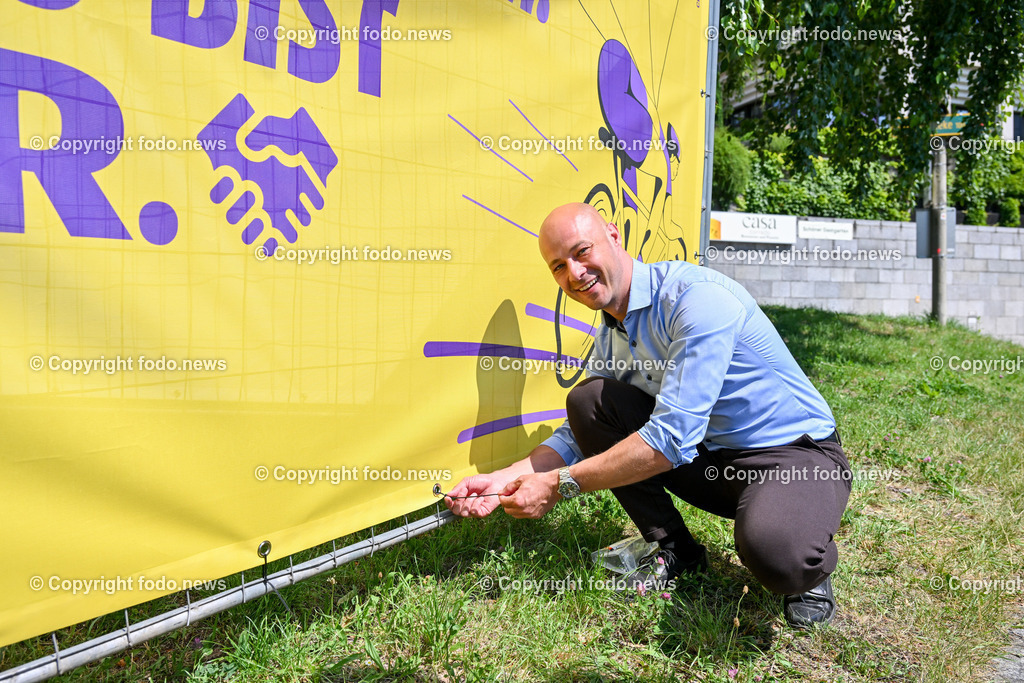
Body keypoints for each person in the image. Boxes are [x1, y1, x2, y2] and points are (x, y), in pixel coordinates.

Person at [445, 202, 851, 628]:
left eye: (582, 252)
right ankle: (676, 550)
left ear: (614, 236)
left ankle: (808, 558)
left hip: (794, 456)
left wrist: (560, 485)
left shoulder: (696, 300)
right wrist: (501, 477)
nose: (574, 273)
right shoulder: (612, 330)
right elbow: (574, 435)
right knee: (591, 402)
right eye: (558, 266)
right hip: (710, 459)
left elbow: (671, 439)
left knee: (776, 554)